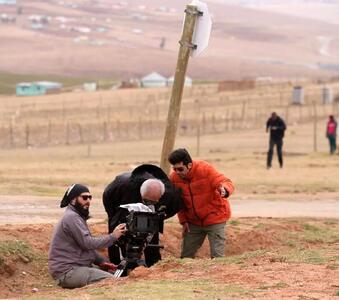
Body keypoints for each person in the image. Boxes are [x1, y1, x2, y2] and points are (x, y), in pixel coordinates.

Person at [103, 164, 183, 267]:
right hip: (115, 199)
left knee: (151, 226)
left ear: (160, 196)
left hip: (142, 196)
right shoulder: (128, 190)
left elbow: (174, 207)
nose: (148, 205)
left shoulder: (168, 192)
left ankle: (153, 264)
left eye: (152, 202)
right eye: (146, 201)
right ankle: (116, 263)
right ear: (141, 195)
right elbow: (117, 220)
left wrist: (158, 218)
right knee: (119, 230)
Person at [48, 184, 127, 289]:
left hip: (76, 268)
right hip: (67, 272)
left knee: (114, 276)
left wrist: (101, 262)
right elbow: (88, 243)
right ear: (73, 199)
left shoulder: (76, 216)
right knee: (114, 282)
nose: (88, 201)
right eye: (84, 197)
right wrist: (113, 236)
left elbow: (84, 247)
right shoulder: (72, 217)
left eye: (90, 197)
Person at [168, 148, 235, 259]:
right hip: (193, 222)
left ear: (189, 165)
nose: (177, 172)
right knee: (185, 258)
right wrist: (183, 221)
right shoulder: (174, 177)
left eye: (180, 169)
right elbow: (178, 202)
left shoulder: (205, 169)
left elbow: (226, 182)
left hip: (215, 218)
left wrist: (225, 189)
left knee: (217, 258)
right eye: (175, 169)